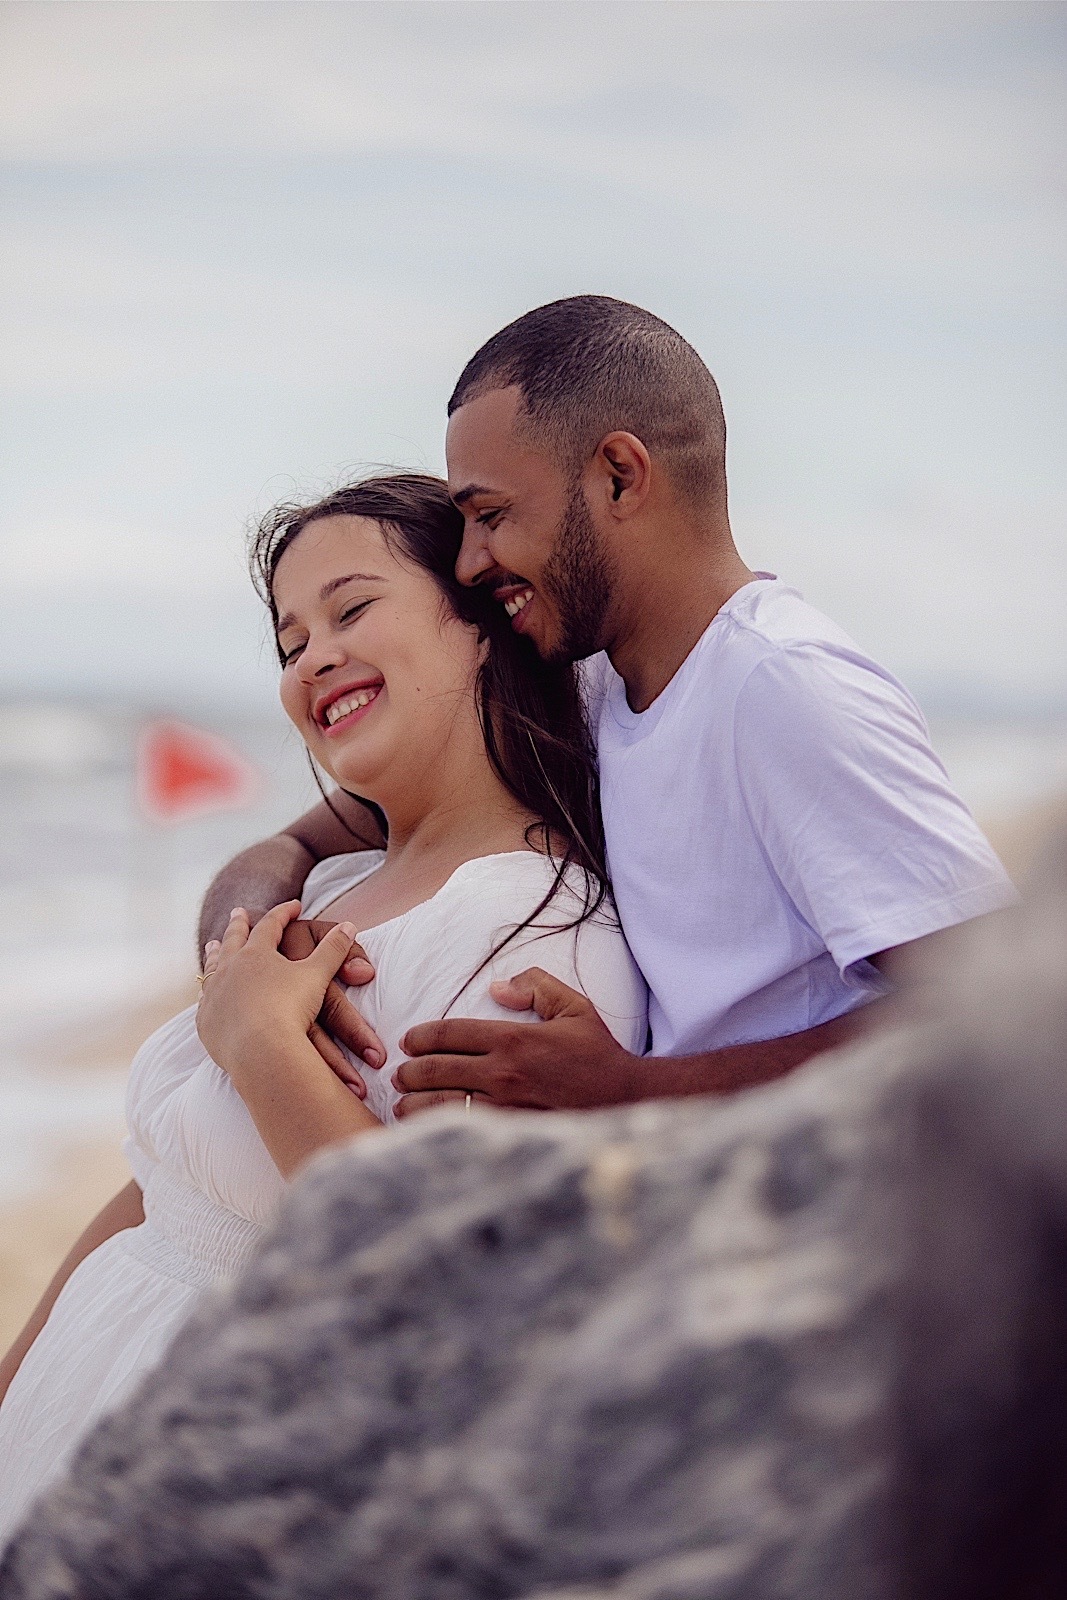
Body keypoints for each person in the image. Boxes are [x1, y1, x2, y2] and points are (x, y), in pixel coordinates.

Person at [0, 473, 647, 1541]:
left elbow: (434, 1284)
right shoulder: (331, 892)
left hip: (221, 1483)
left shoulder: (539, 931)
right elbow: (162, 1185)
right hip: (69, 1419)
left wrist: (262, 1045)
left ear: (481, 625)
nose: (313, 658)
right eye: (290, 641)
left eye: (350, 610)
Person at [201, 297, 1017, 1120]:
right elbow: (296, 842)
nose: (471, 561)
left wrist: (633, 1090)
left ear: (619, 476)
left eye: (490, 516)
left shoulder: (780, 687)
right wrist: (255, 947)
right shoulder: (591, 691)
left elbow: (995, 1015)